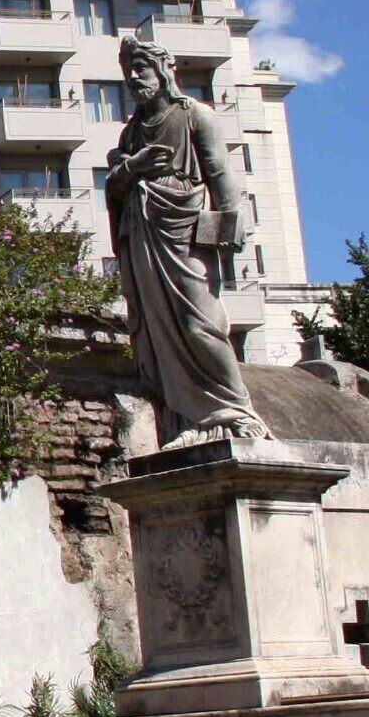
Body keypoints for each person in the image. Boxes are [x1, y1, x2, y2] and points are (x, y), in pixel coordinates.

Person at [105, 35, 269, 444]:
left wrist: (229, 228)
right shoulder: (131, 135)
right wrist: (131, 168)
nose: (133, 77)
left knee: (201, 323)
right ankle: (185, 420)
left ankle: (235, 411)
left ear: (162, 71)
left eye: (141, 68)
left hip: (184, 227)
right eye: (129, 70)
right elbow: (115, 185)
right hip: (144, 231)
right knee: (157, 332)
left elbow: (219, 174)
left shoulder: (195, 115)